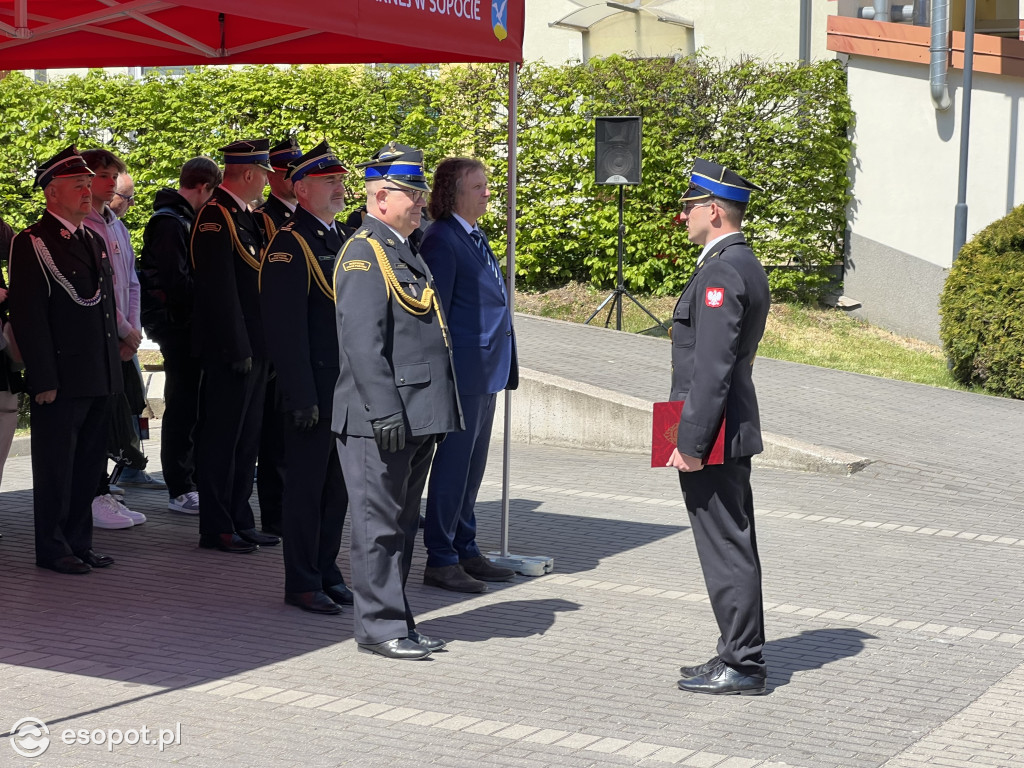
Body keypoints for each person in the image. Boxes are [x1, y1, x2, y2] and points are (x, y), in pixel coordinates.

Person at [333, 142, 462, 659]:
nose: (421, 200)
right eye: (412, 192)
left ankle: (399, 619)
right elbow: (363, 343)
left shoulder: (404, 249)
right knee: (377, 526)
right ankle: (379, 628)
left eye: (420, 191)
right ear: (381, 196)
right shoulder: (364, 253)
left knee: (403, 526)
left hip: (415, 414)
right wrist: (386, 409)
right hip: (378, 419)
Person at [668, 158, 771, 696]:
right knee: (731, 541)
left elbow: (712, 367)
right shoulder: (740, 262)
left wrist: (690, 442)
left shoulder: (723, 270)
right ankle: (734, 651)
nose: (682, 215)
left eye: (689, 206)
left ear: (713, 210)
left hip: (716, 433)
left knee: (726, 545)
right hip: (726, 427)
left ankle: (744, 663)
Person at [9, 145, 122, 574]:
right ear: (51, 193)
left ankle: (79, 541)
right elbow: (29, 315)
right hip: (61, 374)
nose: (87, 192)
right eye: (77, 185)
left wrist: (114, 366)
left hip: (98, 370)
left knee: (88, 466)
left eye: (87, 184)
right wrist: (43, 379)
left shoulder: (91, 238)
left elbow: (103, 308)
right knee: (57, 466)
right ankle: (53, 547)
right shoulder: (33, 242)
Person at [260, 141, 354, 615]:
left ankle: (326, 568)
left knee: (336, 489)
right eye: (329, 181)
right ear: (301, 188)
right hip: (312, 391)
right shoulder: (288, 243)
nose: (340, 188)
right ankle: (301, 579)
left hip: (342, 388)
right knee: (305, 490)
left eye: (340, 180)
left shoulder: (336, 239)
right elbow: (285, 327)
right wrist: (299, 395)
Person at [419, 158, 518, 593]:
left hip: (486, 369)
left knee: (473, 467)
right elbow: (434, 310)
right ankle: (440, 557)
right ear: (454, 192)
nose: (488, 193)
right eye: (478, 187)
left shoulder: (472, 235)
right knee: (454, 466)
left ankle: (465, 546)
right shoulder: (441, 238)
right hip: (463, 370)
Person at [190, 139, 279, 554]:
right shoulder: (216, 217)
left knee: (247, 440)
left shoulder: (249, 219)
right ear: (247, 174)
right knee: (223, 439)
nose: (267, 180)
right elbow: (218, 291)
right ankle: (218, 525)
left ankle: (240, 517)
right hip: (232, 351)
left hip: (256, 346)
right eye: (264, 173)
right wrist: (237, 347)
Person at [139, 157, 222, 515]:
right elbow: (175, 280)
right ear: (205, 187)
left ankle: (192, 479)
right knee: (183, 404)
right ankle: (180, 485)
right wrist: (206, 305)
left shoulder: (181, 218)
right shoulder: (170, 222)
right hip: (178, 325)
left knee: (194, 403)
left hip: (186, 323)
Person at [81, 149, 149, 530]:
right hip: (100, 337)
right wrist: (124, 329)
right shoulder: (86, 225)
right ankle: (92, 495)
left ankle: (102, 490)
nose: (110, 183)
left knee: (114, 414)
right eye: (103, 175)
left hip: (122, 338)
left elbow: (131, 283)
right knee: (96, 423)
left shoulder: (116, 225)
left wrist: (132, 331)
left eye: (113, 176)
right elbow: (99, 289)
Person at [252, 137, 301, 537]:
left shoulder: (301, 219)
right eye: (289, 171)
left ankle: (290, 509)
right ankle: (276, 513)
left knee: (290, 437)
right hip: (273, 342)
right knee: (274, 437)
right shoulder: (266, 218)